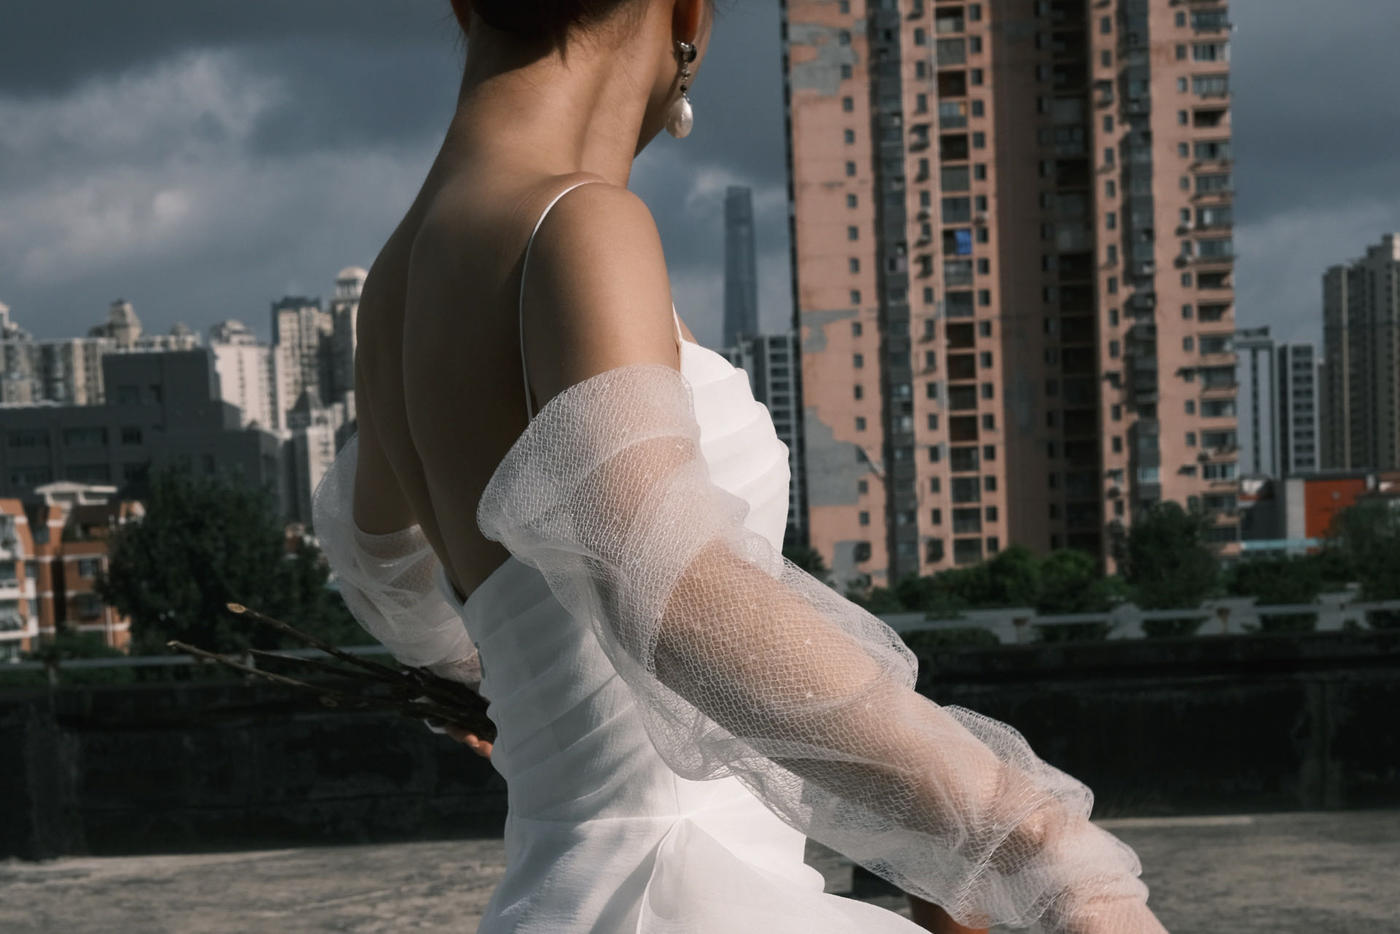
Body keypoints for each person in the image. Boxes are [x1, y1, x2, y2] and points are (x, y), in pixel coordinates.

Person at [310, 1, 1169, 931]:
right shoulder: (577, 223)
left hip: (556, 893)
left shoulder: (394, 283)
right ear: (687, 14)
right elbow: (665, 577)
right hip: (685, 892)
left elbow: (379, 564)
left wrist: (535, 696)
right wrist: (1037, 843)